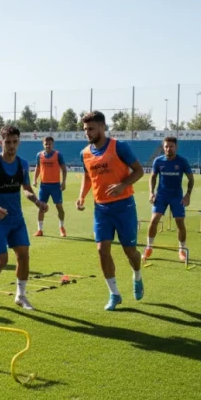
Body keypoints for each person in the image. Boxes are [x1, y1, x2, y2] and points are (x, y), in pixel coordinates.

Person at [75, 111, 144, 311]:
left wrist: (122, 185)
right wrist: (82, 196)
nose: (88, 133)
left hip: (124, 207)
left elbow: (139, 170)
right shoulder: (85, 153)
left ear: (102, 127)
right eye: (85, 129)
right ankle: (114, 294)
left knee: (130, 252)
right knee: (101, 250)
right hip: (101, 209)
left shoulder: (119, 147)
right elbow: (88, 177)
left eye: (91, 129)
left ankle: (137, 276)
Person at [0, 125, 47, 311]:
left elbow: (26, 188)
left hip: (16, 218)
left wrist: (37, 202)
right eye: (8, 142)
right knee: (1, 260)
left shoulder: (23, 164)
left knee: (24, 256)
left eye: (15, 142)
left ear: (19, 142)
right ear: (1, 142)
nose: (11, 146)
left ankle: (21, 296)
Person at [143, 137, 194, 263]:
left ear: (176, 147)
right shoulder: (158, 161)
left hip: (177, 196)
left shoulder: (182, 161)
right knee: (154, 220)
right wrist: (151, 192)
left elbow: (191, 179)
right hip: (161, 195)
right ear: (163, 147)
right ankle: (149, 247)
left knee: (179, 223)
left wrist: (188, 194)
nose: (168, 149)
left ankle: (182, 249)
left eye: (171, 146)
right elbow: (153, 177)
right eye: (166, 146)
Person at [32, 136, 67, 237]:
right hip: (44, 186)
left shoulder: (58, 155)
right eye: (46, 144)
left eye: (50, 144)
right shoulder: (39, 155)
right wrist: (34, 179)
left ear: (53, 144)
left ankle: (61, 227)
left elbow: (64, 169)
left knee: (59, 207)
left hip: (56, 185)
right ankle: (40, 230)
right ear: (43, 144)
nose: (48, 146)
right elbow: (38, 168)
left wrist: (63, 182)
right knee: (41, 207)